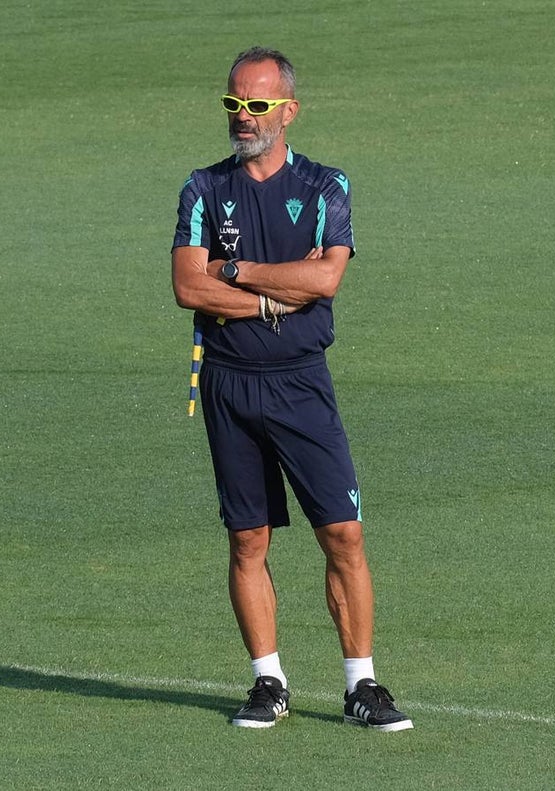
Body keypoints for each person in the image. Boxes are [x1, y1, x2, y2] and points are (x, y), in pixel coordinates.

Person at [171, 46, 412, 732]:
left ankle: (361, 685)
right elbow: (189, 285)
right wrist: (279, 295)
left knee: (342, 531)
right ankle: (267, 680)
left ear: (289, 111)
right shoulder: (202, 189)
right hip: (228, 384)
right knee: (247, 538)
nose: (242, 117)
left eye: (256, 105)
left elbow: (327, 281)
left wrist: (237, 271)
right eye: (233, 104)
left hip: (301, 384)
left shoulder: (327, 187)